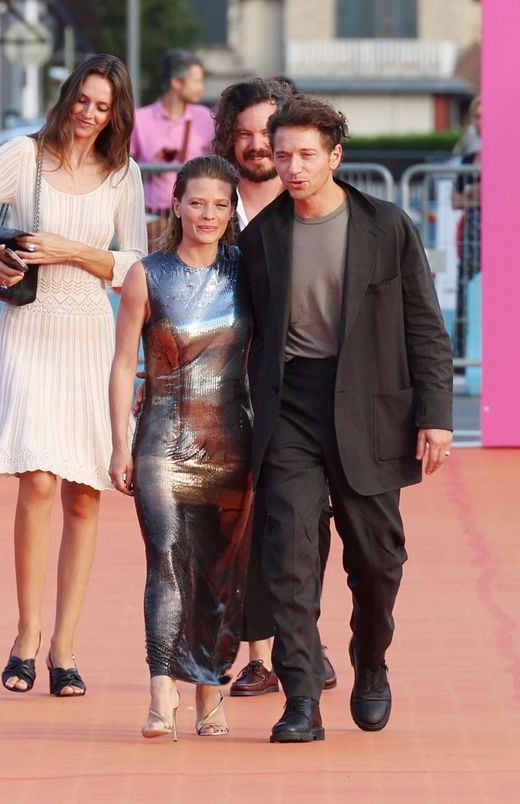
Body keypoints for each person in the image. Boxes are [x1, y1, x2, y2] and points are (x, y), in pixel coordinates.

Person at [238, 94, 453, 743]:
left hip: (369, 406)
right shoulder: (262, 238)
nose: (293, 167)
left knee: (378, 560)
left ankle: (371, 662)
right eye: (283, 156)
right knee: (290, 557)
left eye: (306, 154)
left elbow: (425, 325)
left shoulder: (386, 225)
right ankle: (300, 698)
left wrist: (435, 416)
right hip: (291, 410)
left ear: (336, 155)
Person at [0, 54, 147, 697]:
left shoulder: (124, 174)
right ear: (67, 97)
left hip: (90, 335)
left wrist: (71, 251)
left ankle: (66, 648)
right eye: (83, 99)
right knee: (37, 479)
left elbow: (134, 263)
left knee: (84, 493)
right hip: (28, 331)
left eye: (103, 105)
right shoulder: (24, 156)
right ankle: (26, 637)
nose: (90, 114)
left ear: (117, 113)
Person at [109, 154, 253, 740]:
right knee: (166, 561)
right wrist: (119, 443)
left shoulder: (249, 272)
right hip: (161, 441)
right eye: (197, 202)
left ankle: (210, 692)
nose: (208, 214)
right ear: (176, 204)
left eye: (221, 204)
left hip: (231, 442)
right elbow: (123, 365)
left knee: (219, 572)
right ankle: (161, 690)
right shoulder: (148, 273)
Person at [212, 77, 337, 696]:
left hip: (303, 392)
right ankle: (267, 654)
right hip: (229, 388)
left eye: (266, 134)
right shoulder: (212, 204)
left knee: (305, 523)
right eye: (242, 134)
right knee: (249, 525)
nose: (256, 145)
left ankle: (302, 639)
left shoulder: (312, 205)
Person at [130, 48, 214, 248]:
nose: (201, 88)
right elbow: (121, 168)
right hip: (152, 217)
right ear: (176, 82)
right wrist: (147, 166)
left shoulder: (205, 117)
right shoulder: (139, 119)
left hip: (194, 218)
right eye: (196, 81)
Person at [452, 96, 481, 362]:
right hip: (473, 234)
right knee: (465, 286)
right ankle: (460, 354)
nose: (481, 123)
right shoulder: (469, 158)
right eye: (477, 117)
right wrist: (477, 195)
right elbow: (455, 199)